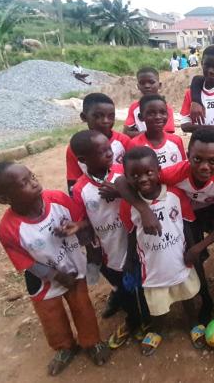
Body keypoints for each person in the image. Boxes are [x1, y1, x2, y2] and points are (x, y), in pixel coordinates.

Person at [0, 162, 110, 376]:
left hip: (73, 269)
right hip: (43, 279)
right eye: (24, 183)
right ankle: (64, 347)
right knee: (51, 317)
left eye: (32, 176)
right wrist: (55, 275)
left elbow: (83, 221)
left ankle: (91, 341)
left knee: (82, 307)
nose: (33, 182)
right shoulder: (8, 229)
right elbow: (25, 263)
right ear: (4, 199)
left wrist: (79, 231)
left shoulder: (58, 199)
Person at [115, 128, 214, 325]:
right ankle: (206, 301)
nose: (204, 167)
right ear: (188, 156)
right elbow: (121, 181)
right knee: (193, 259)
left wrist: (200, 246)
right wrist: (144, 210)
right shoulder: (175, 173)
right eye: (198, 159)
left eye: (212, 161)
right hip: (188, 213)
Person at [118, 147, 204, 355]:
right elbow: (130, 232)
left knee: (187, 296)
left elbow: (187, 223)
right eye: (135, 175)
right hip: (152, 267)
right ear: (127, 177)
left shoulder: (175, 194)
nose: (142, 179)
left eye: (148, 172)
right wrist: (130, 259)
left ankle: (193, 323)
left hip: (179, 260)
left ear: (159, 170)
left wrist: (194, 249)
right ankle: (157, 330)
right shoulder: (129, 205)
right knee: (157, 305)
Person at [69, 130, 147, 342]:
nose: (109, 153)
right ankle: (133, 319)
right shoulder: (80, 189)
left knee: (144, 283)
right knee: (123, 287)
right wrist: (82, 232)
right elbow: (83, 220)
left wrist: (121, 192)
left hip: (136, 242)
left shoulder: (123, 173)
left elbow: (143, 196)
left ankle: (148, 319)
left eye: (109, 148)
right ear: (83, 159)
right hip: (109, 249)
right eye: (101, 151)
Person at [66, 93, 131, 194]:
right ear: (84, 117)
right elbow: (73, 183)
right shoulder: (77, 147)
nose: (105, 121)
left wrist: (122, 191)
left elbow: (135, 173)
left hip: (125, 195)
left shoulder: (124, 141)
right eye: (98, 116)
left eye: (111, 116)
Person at [179, 45, 214, 136]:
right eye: (207, 65)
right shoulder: (191, 94)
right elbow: (184, 126)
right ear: (202, 64)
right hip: (198, 144)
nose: (211, 71)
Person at [129, 94, 186, 170]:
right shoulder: (135, 145)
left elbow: (183, 168)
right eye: (151, 113)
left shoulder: (176, 141)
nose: (158, 117)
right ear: (141, 117)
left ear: (167, 114)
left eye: (162, 112)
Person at [123, 67, 176, 138]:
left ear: (159, 85)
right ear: (138, 86)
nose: (147, 86)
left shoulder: (166, 109)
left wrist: (139, 133)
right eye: (142, 83)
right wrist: (148, 134)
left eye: (151, 82)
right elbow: (126, 133)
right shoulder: (134, 107)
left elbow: (167, 134)